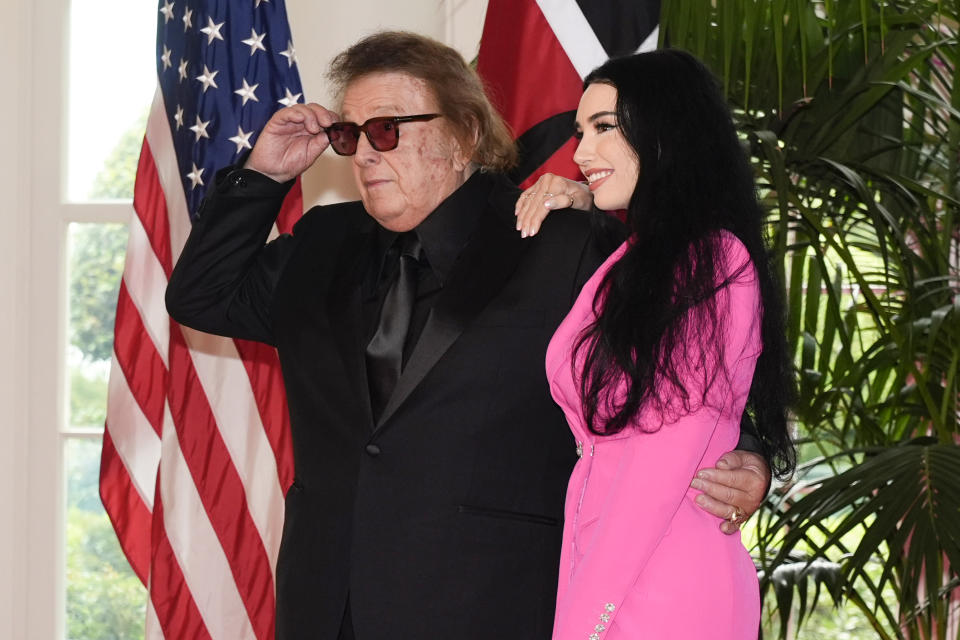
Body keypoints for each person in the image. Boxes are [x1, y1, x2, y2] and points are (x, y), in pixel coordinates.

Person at [166, 31, 774, 640]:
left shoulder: (560, 241)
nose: (365, 156)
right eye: (350, 137)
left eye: (386, 130)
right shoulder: (321, 243)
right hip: (326, 607)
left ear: (465, 134)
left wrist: (747, 451)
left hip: (493, 607)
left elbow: (680, 365)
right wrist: (262, 175)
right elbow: (201, 294)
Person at [516, 49, 796, 639]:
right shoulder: (635, 260)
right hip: (608, 569)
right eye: (579, 132)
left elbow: (658, 466)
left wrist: (583, 622)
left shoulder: (713, 261)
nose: (581, 153)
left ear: (665, 130)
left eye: (604, 128)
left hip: (663, 585)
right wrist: (589, 198)